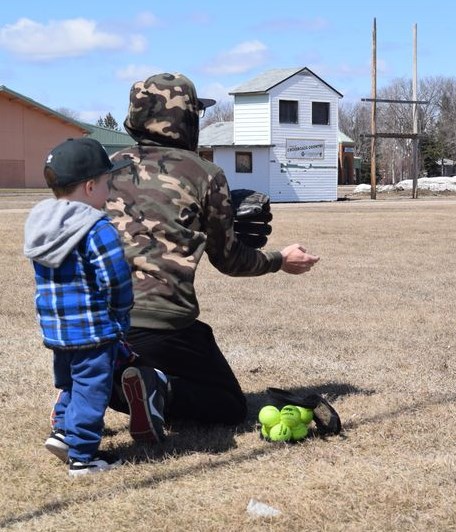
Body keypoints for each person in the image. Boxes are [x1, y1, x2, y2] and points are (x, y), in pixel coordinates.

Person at [105, 72, 319, 443]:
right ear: (184, 118)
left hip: (100, 323)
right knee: (228, 405)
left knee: (133, 360)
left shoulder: (105, 167)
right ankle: (157, 389)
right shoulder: (205, 174)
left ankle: (86, 385)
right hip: (164, 322)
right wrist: (278, 260)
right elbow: (230, 260)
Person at [23, 138, 134, 476]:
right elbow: (115, 278)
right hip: (92, 329)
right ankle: (83, 457)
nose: (108, 192)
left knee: (70, 383)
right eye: (106, 184)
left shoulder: (42, 223)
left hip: (57, 330)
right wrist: (121, 312)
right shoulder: (96, 227)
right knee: (91, 389)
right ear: (89, 186)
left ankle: (62, 432)